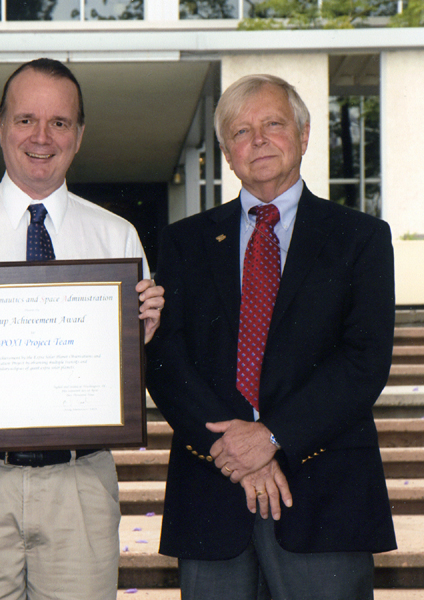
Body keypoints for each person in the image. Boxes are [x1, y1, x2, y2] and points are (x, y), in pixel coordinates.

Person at [0, 58, 164, 600]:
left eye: (60, 123)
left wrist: (144, 334)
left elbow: (126, 368)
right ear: (0, 126)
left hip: (80, 484)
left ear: (80, 135)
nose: (42, 137)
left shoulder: (117, 238)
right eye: (25, 120)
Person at [146, 73, 396, 599]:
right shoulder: (184, 242)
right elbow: (164, 361)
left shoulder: (362, 238)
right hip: (212, 500)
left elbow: (364, 361)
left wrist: (271, 435)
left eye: (273, 124)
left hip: (326, 502)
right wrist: (233, 450)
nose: (257, 140)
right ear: (225, 154)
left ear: (304, 135)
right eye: (240, 132)